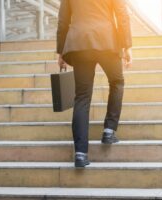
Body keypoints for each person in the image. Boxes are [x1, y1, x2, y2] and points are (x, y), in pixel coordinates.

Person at [57, 0, 132, 167]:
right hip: (107, 41)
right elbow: (122, 14)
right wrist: (127, 46)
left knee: (82, 97)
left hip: (80, 42)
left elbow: (63, 20)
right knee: (117, 81)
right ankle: (109, 130)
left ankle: (81, 154)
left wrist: (60, 51)